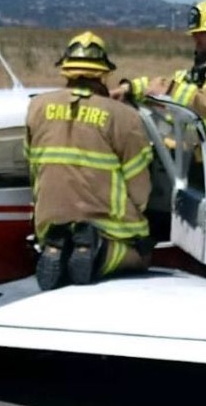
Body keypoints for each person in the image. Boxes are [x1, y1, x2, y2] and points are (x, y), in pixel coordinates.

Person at [113, 0, 206, 285]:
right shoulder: (201, 70)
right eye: (195, 34)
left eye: (202, 33)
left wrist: (168, 89)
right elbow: (165, 85)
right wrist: (130, 88)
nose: (196, 39)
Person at [26, 32, 156, 289]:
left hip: (49, 219)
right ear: (103, 75)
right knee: (141, 254)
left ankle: (56, 246)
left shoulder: (36, 107)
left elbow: (32, 165)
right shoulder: (124, 116)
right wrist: (139, 211)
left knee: (58, 234)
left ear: (66, 71)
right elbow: (139, 186)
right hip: (105, 223)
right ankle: (99, 252)